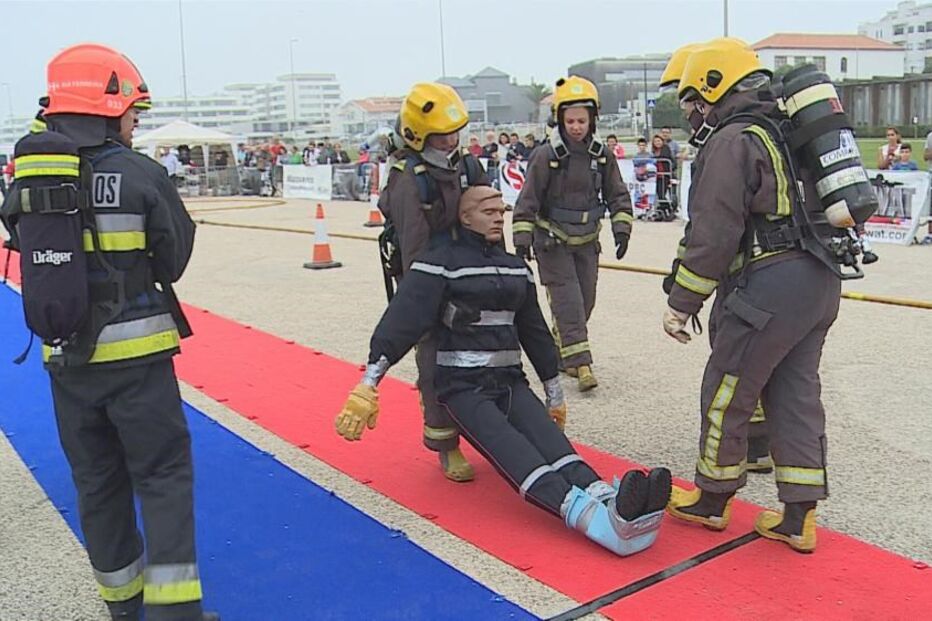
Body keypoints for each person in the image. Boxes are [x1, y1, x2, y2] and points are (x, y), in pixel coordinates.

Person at [0, 44, 217, 619]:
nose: (136, 121)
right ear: (107, 105)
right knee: (163, 476)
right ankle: (176, 613)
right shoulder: (140, 173)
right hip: (139, 360)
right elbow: (172, 259)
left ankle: (123, 605)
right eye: (133, 111)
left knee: (96, 483)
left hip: (65, 357)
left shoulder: (28, 177)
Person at [335, 186, 671, 556]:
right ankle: (597, 522)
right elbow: (402, 321)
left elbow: (535, 332)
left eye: (501, 211)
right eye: (487, 210)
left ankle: (615, 501)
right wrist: (369, 383)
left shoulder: (515, 267)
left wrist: (553, 392)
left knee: (557, 449)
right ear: (465, 217)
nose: (498, 216)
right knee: (519, 456)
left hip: (510, 381)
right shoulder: (441, 262)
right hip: (462, 387)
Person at [662, 39, 844, 553]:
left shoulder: (732, 140)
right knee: (795, 393)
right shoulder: (790, 133)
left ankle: (712, 501)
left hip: (769, 284)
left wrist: (682, 302)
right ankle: (797, 517)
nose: (692, 113)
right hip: (820, 279)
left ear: (715, 89)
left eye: (694, 101)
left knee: (726, 390)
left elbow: (714, 231)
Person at [377, 82, 489, 482]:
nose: (451, 140)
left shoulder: (470, 168)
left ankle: (488, 433)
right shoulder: (410, 180)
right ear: (419, 135)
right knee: (435, 366)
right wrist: (431, 302)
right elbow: (414, 248)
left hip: (473, 274)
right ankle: (447, 446)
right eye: (442, 134)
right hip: (432, 282)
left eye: (455, 131)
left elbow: (490, 218)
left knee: (486, 359)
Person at [513, 76, 634, 391]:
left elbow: (618, 195)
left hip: (587, 243)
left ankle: (559, 350)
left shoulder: (601, 156)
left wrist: (622, 229)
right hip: (552, 243)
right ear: (559, 119)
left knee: (585, 302)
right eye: (570, 120)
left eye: (582, 120)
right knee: (568, 303)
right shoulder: (545, 157)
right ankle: (581, 366)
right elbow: (527, 199)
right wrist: (522, 238)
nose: (577, 126)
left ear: (593, 119)